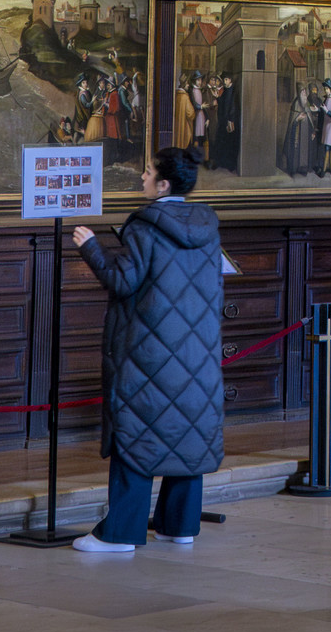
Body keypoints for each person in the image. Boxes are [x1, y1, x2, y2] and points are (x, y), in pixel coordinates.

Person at [69, 146, 224, 555]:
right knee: (188, 431)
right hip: (198, 350)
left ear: (164, 183)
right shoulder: (208, 226)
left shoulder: (145, 226)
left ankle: (118, 533)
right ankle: (180, 526)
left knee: (134, 431)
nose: (142, 176)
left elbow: (122, 282)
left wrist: (90, 247)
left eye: (148, 171)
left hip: (149, 350)